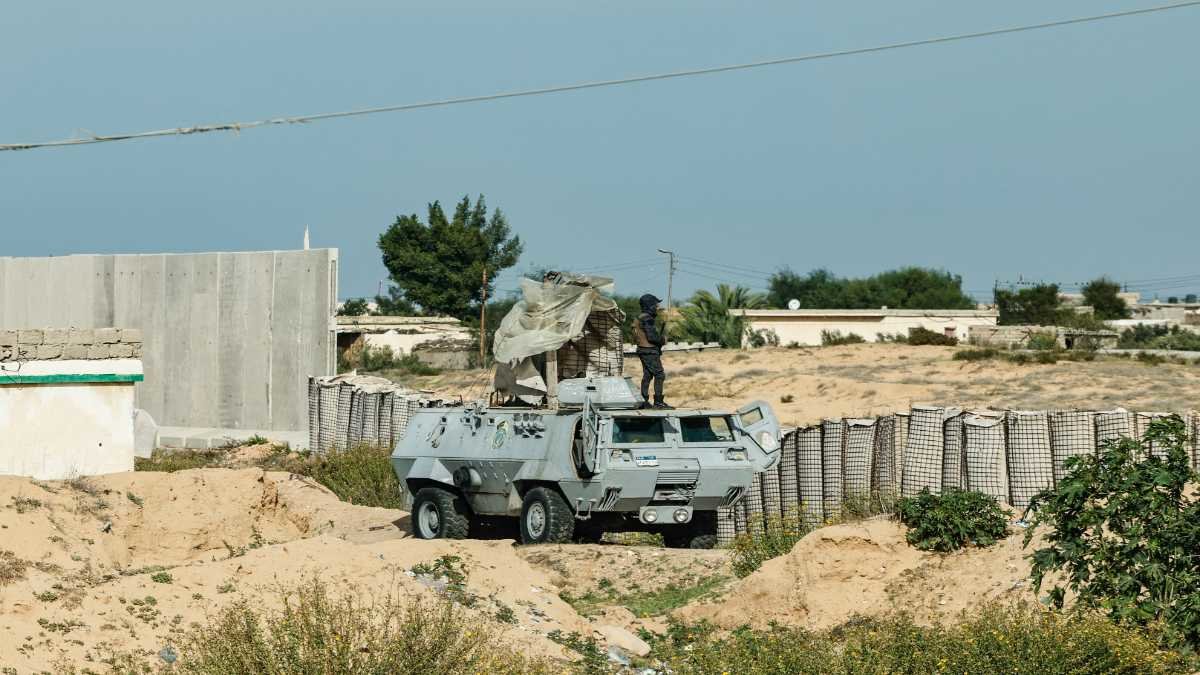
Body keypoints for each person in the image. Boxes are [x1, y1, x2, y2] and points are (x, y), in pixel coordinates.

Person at [633, 293, 671, 409]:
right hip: (649, 351)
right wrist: (663, 340)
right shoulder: (647, 318)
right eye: (655, 305)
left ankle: (644, 401)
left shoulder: (640, 317)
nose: (657, 307)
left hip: (644, 350)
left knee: (647, 375)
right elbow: (652, 337)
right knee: (659, 375)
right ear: (650, 305)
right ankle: (658, 402)